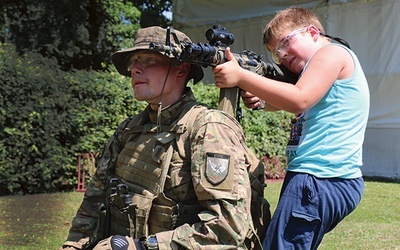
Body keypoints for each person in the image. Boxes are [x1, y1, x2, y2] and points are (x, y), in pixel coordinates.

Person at [60, 26, 269, 250]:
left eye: (148, 60)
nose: (134, 69)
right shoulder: (130, 130)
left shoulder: (209, 129)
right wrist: (73, 246)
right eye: (133, 61)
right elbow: (93, 202)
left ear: (181, 70)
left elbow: (227, 229)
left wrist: (141, 247)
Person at [212, 6, 370, 250]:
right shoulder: (324, 62)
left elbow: (300, 98)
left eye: (285, 43)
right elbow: (301, 103)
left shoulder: (330, 54)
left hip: (319, 177)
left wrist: (241, 76)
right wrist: (264, 102)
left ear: (313, 32)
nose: (282, 55)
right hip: (323, 178)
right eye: (276, 54)